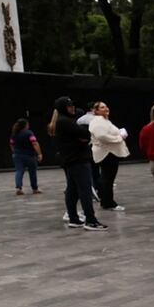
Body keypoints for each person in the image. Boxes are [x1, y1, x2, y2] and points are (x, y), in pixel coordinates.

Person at [47, 96, 107, 230]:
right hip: (77, 159)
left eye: (72, 105)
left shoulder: (64, 121)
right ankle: (90, 220)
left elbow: (83, 135)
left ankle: (74, 218)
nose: (72, 108)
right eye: (69, 106)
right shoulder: (65, 121)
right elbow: (85, 133)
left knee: (73, 190)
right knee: (84, 189)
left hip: (73, 159)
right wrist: (84, 135)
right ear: (63, 108)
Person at [88, 102, 129, 211]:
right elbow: (102, 136)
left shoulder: (105, 121)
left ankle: (106, 201)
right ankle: (108, 203)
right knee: (107, 179)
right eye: (102, 107)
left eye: (106, 106)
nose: (106, 108)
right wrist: (119, 137)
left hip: (109, 153)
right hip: (107, 154)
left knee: (108, 178)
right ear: (96, 111)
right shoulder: (97, 121)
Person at [9, 118, 42, 195]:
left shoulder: (14, 133)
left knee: (19, 171)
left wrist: (15, 152)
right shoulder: (29, 133)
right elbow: (34, 143)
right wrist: (39, 153)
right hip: (29, 156)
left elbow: (11, 144)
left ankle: (18, 188)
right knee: (32, 172)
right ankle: (35, 189)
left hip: (17, 155)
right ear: (25, 125)